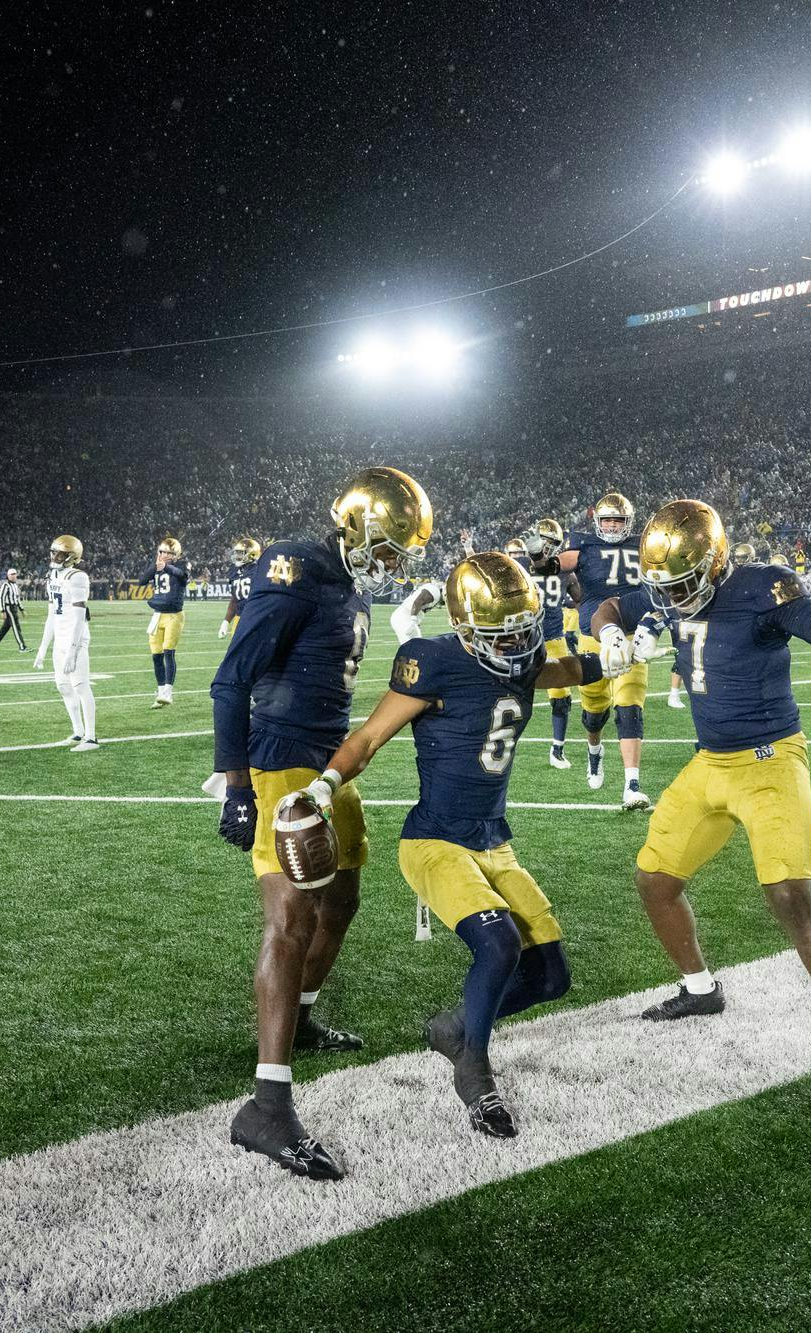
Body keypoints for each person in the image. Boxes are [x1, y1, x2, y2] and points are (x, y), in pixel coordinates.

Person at [290, 553, 594, 1137]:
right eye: (498, 633)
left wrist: (622, 652)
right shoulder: (432, 662)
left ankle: (456, 1028)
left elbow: (569, 671)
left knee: (552, 977)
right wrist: (325, 786)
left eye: (520, 631)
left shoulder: (521, 660)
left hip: (493, 842)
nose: (513, 645)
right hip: (434, 839)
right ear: (463, 626)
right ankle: (475, 1074)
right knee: (499, 944)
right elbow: (371, 736)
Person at [592, 499, 811, 1103]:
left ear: (716, 562)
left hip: (769, 760)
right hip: (709, 762)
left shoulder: (761, 588)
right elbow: (613, 606)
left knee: (788, 894)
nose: (674, 598)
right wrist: (612, 633)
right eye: (666, 587)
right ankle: (701, 989)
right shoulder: (671, 587)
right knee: (654, 879)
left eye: (684, 583)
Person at [210, 467, 432, 1180]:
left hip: (328, 764)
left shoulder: (348, 582)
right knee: (291, 919)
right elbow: (230, 678)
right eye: (390, 547)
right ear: (360, 527)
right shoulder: (299, 566)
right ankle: (267, 1106)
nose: (393, 563)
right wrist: (238, 785)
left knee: (344, 898)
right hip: (280, 762)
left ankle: (299, 1018)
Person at [558, 492, 651, 808]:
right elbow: (557, 564)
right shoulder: (584, 546)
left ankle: (631, 784)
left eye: (618, 520)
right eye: (607, 519)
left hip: (632, 634)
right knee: (595, 712)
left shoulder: (644, 545)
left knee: (629, 703)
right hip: (592, 639)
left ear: (629, 522)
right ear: (597, 521)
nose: (612, 526)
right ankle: (594, 750)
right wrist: (541, 560)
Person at [515, 519, 583, 768]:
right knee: (506, 692)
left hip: (554, 638)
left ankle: (557, 749)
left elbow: (581, 601)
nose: (546, 547)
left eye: (552, 543)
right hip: (521, 640)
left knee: (562, 697)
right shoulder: (519, 566)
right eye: (543, 540)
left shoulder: (565, 570)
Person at [33, 534, 98, 749]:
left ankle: (91, 737)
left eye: (59, 552)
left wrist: (72, 650)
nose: (54, 556)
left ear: (71, 556)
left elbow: (79, 618)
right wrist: (43, 648)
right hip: (60, 639)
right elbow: (52, 614)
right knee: (63, 686)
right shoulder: (53, 576)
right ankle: (78, 732)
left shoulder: (77, 577)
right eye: (53, 551)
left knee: (80, 686)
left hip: (75, 640)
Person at [145, 536, 189, 707]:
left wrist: (167, 567)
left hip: (173, 615)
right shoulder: (157, 566)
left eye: (167, 552)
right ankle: (161, 692)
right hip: (157, 614)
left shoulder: (181, 565)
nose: (162, 554)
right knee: (156, 656)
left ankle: (168, 692)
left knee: (169, 652)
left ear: (175, 554)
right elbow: (142, 580)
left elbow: (182, 576)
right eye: (161, 551)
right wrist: (154, 567)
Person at [219, 536, 261, 639]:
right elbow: (234, 600)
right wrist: (226, 622)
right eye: (237, 552)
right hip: (239, 617)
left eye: (241, 553)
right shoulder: (235, 572)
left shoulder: (259, 570)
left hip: (255, 616)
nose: (237, 555)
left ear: (252, 554)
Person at [0, 567, 27, 651]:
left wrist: (22, 609)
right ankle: (22, 647)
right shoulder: (5, 585)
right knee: (16, 627)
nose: (14, 576)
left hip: (14, 608)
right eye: (12, 574)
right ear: (8, 576)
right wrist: (2, 610)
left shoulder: (15, 585)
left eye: (15, 574)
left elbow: (17, 599)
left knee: (4, 629)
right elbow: (1, 598)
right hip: (9, 608)